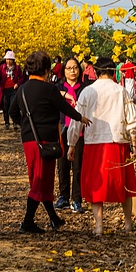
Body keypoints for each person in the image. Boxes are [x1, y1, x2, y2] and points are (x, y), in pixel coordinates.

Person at [12, 51, 88, 233]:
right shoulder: (49, 89)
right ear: (47, 69)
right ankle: (27, 222)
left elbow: (12, 111)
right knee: (39, 181)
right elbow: (65, 109)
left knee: (43, 180)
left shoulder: (22, 89)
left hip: (29, 140)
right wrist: (81, 118)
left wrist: (24, 125)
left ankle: (53, 218)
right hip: (46, 141)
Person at [67, 56, 136, 236]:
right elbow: (132, 118)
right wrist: (134, 141)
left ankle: (99, 225)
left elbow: (77, 120)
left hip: (94, 143)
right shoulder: (121, 91)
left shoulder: (87, 92)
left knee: (95, 184)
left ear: (97, 71)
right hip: (118, 140)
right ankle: (128, 223)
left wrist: (72, 143)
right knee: (124, 184)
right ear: (113, 71)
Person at [53, 56, 89, 213]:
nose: (72, 71)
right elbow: (51, 94)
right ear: (64, 71)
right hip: (62, 128)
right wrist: (65, 95)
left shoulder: (85, 88)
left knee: (78, 166)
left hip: (80, 130)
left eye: (75, 68)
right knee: (62, 165)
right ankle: (63, 197)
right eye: (69, 68)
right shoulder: (58, 87)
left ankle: (77, 199)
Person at [0, 50, 24, 129]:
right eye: (7, 59)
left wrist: (17, 84)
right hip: (4, 89)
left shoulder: (17, 68)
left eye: (10, 59)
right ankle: (6, 122)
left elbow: (22, 77)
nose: (8, 61)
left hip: (13, 89)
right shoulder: (2, 67)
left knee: (12, 106)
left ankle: (15, 122)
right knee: (5, 106)